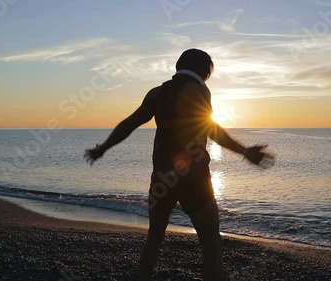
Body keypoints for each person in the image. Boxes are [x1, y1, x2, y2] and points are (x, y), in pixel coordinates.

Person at [84, 49, 274, 281]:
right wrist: (244, 151)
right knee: (211, 242)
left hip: (162, 178)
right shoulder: (199, 91)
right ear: (204, 70)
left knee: (154, 237)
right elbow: (211, 129)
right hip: (194, 179)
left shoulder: (157, 93)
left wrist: (102, 148)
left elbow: (129, 124)